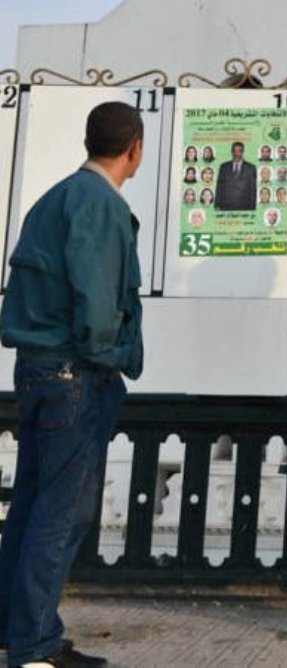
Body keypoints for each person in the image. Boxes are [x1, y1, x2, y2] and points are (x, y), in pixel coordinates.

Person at [0, 101, 145, 668]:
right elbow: (98, 301)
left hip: (35, 367)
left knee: (33, 504)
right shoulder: (100, 205)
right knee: (63, 512)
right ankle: (33, 645)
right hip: (76, 372)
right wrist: (113, 357)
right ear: (134, 148)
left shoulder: (52, 199)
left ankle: (16, 632)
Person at [215, 142, 257, 211]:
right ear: (232, 152)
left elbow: (253, 189)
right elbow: (219, 186)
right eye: (234, 151)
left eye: (239, 151)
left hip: (244, 205)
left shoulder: (251, 168)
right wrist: (217, 204)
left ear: (243, 152)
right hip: (226, 205)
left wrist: (252, 208)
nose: (236, 154)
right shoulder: (223, 167)